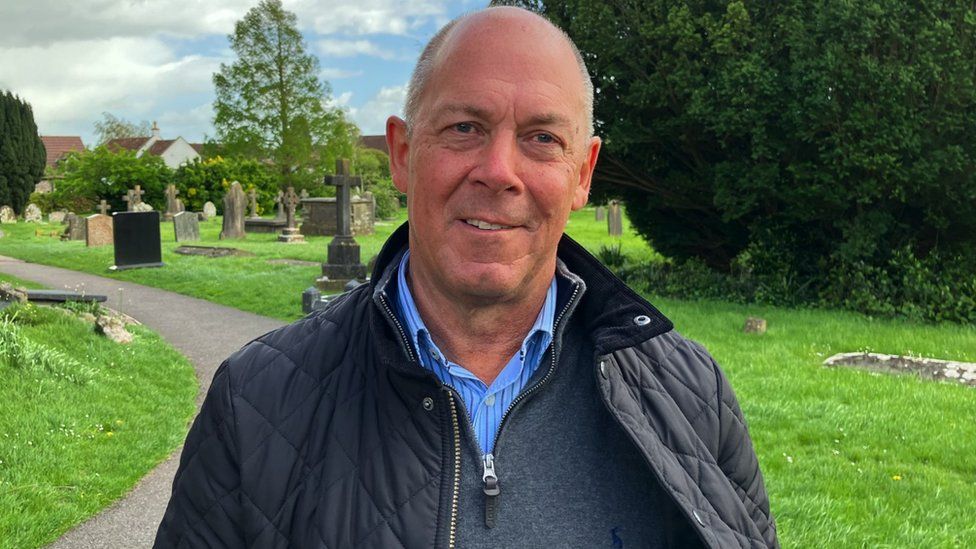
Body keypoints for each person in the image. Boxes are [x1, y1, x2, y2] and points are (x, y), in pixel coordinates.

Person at [155, 6, 777, 548]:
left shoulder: (693, 397)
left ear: (583, 174)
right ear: (402, 154)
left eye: (541, 137)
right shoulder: (256, 405)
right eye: (464, 128)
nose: (498, 170)